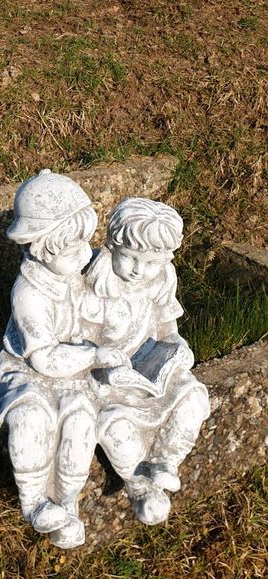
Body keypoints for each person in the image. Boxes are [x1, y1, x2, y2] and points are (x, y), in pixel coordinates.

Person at [0, 169, 125, 548]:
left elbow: (91, 310)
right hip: (31, 370)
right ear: (39, 248)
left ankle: (67, 501)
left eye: (85, 242)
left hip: (74, 369)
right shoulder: (28, 294)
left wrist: (106, 308)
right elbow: (44, 358)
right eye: (71, 247)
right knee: (31, 420)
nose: (84, 253)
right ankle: (33, 500)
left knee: (80, 424)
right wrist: (94, 354)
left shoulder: (71, 275)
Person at [85, 197, 210, 524]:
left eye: (152, 262)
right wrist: (104, 368)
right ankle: (138, 482)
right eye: (130, 258)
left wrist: (177, 346)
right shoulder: (93, 281)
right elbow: (75, 338)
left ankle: (166, 459)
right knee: (112, 423)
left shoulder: (162, 278)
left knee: (194, 396)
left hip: (148, 368)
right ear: (112, 245)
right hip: (105, 377)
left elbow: (167, 328)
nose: (140, 270)